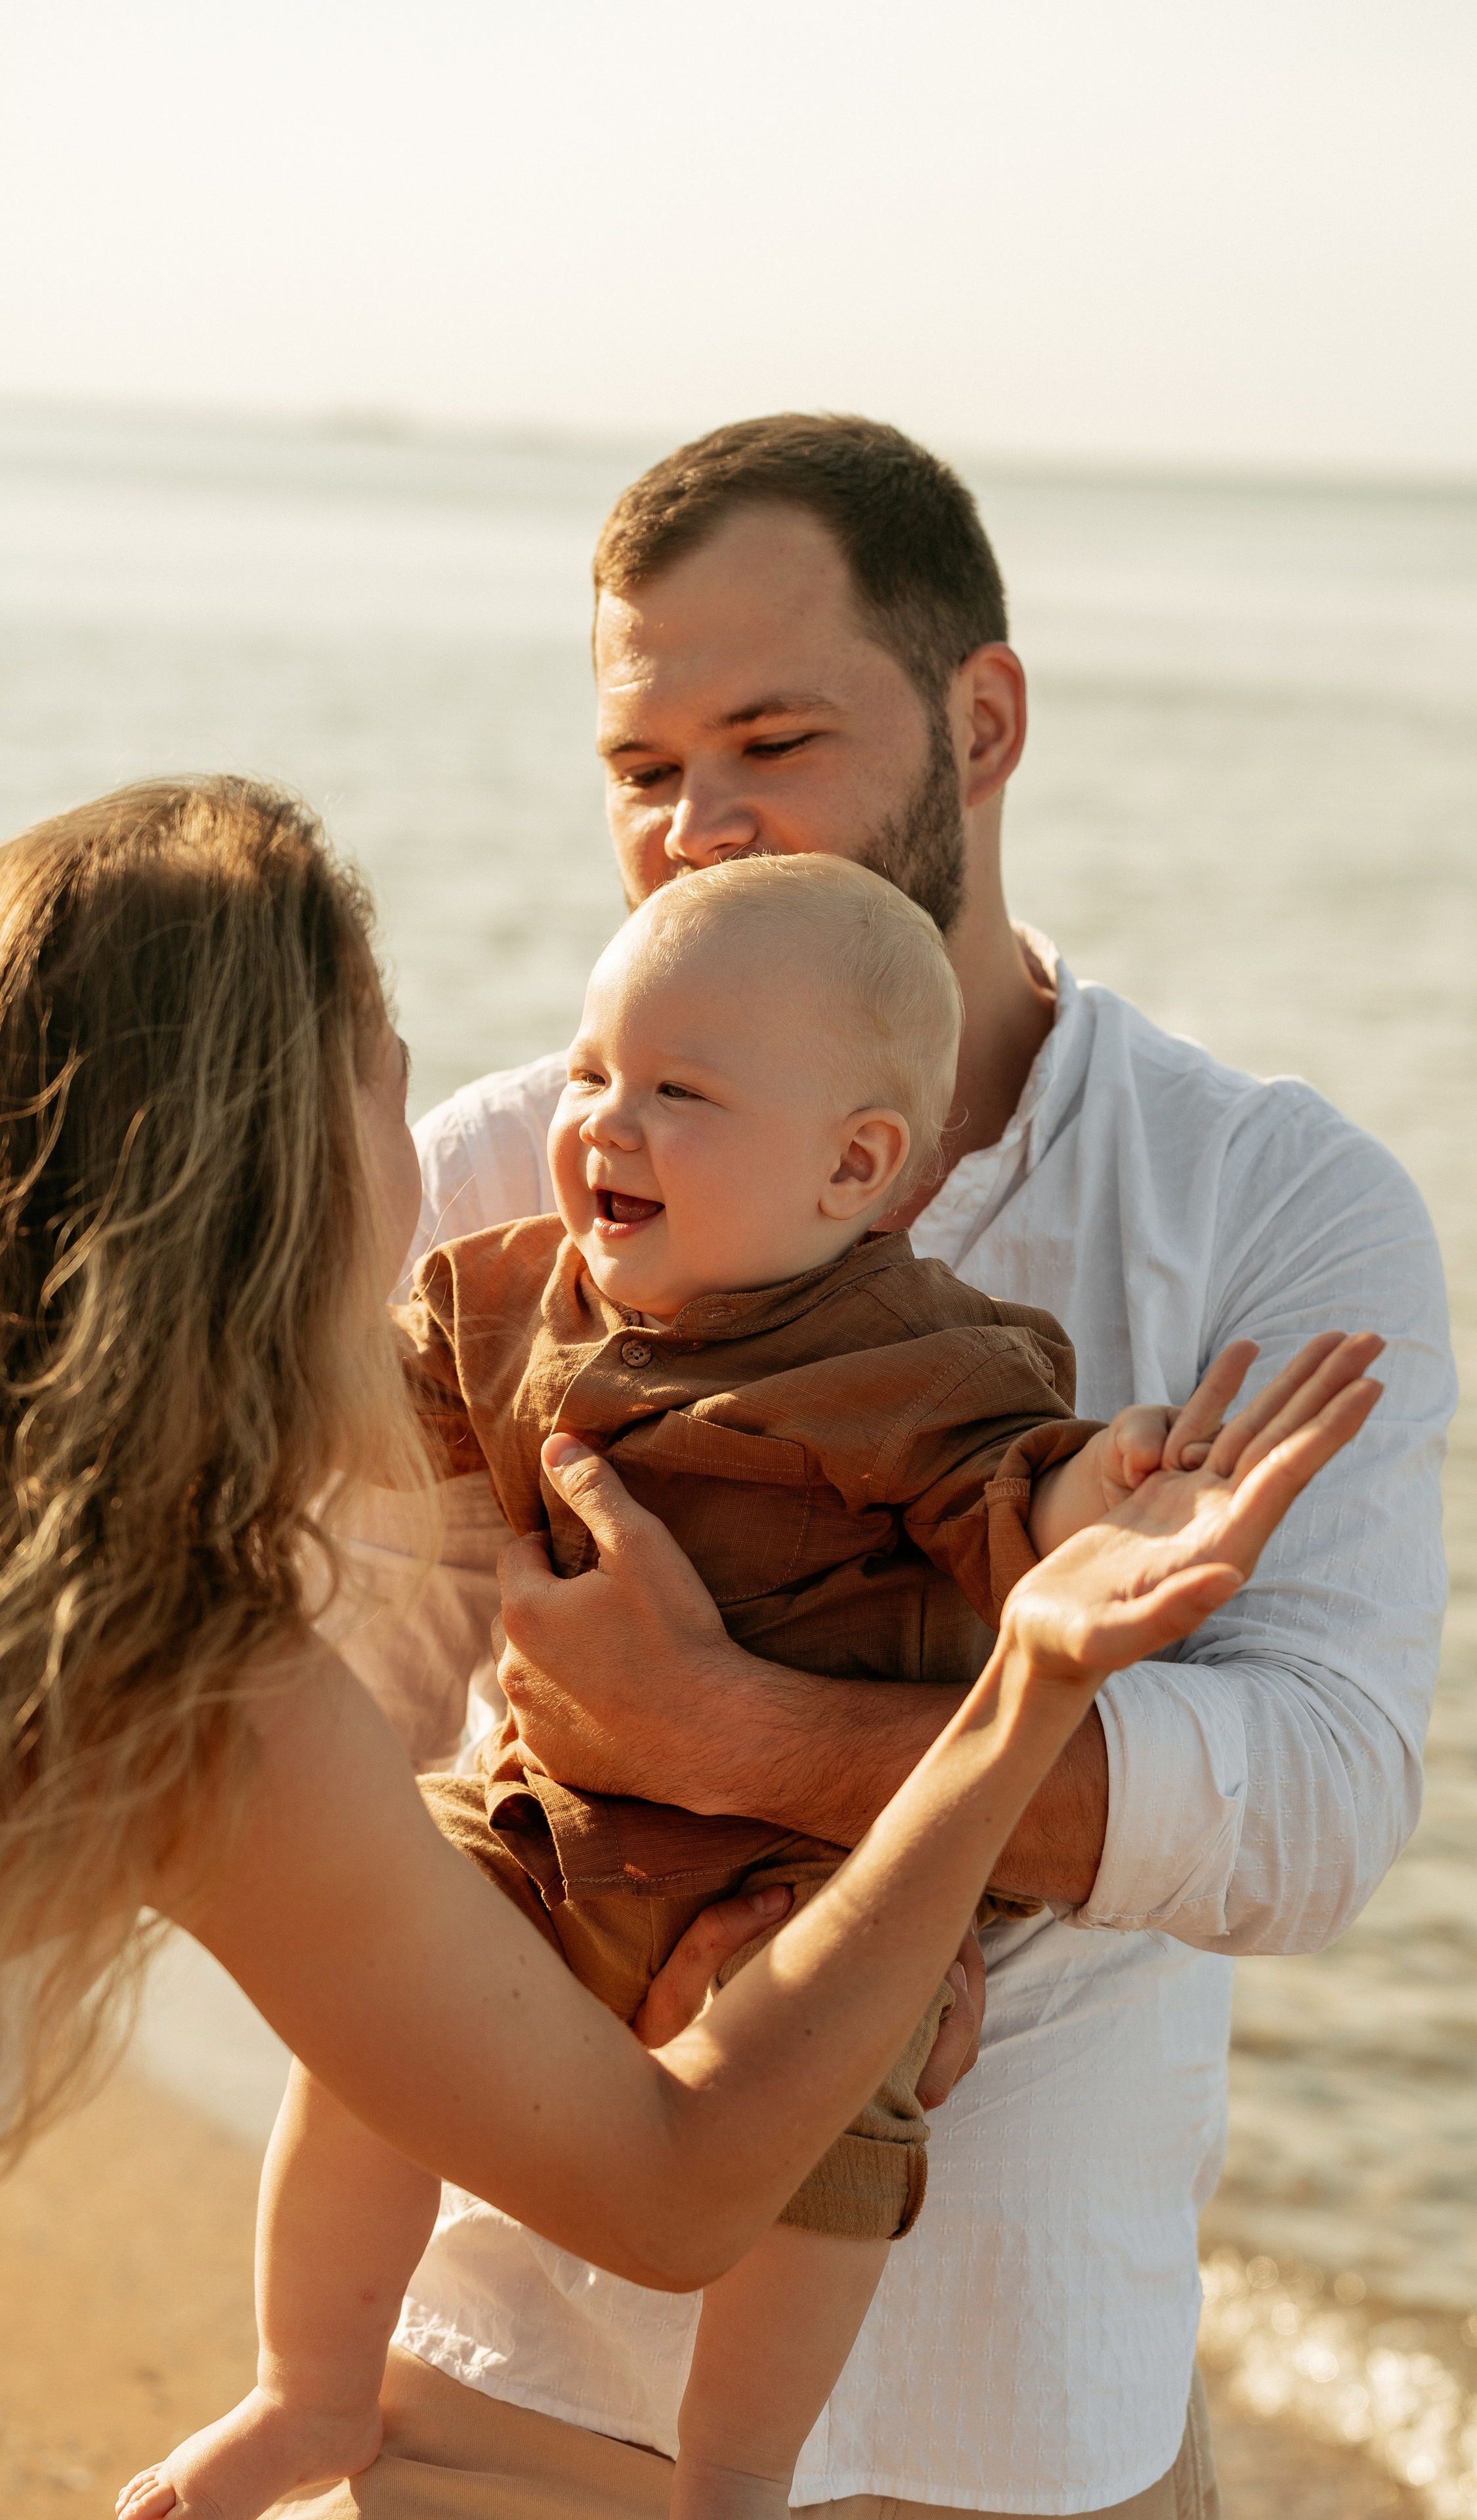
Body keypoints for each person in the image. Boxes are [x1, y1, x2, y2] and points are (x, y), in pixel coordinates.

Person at [0, 779, 1367, 2520]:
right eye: (402, 1085)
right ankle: (336, 2390)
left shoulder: (151, 1640)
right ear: (275, 1163)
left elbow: (1018, 1504)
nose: (491, 1162)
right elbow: (669, 2190)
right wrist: (1028, 1683)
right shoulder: (224, 1690)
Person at [333, 414, 1457, 2520]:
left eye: (773, 740)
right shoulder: (504, 1175)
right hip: (514, 2367)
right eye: (645, 771)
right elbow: (345, 1706)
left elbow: (1315, 1809)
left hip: (1021, 2415)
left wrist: (743, 1733)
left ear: (985, 719)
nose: (702, 827)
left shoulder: (1265, 1203)